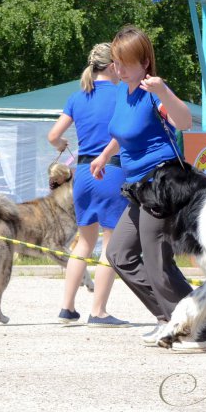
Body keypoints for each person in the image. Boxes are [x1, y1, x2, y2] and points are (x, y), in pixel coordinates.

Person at [90, 25, 206, 350]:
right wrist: (105, 156)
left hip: (163, 184)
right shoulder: (124, 91)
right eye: (115, 63)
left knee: (157, 262)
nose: (117, 69)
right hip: (138, 187)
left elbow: (184, 122)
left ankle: (204, 330)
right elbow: (122, 133)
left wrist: (164, 91)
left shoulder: (154, 93)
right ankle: (169, 318)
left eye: (124, 63)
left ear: (145, 63)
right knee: (119, 253)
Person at [47, 43, 129, 328]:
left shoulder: (78, 96)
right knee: (111, 242)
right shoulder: (123, 93)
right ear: (112, 66)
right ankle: (99, 311)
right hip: (111, 171)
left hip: (81, 173)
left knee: (84, 241)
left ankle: (67, 308)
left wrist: (61, 144)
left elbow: (53, 135)